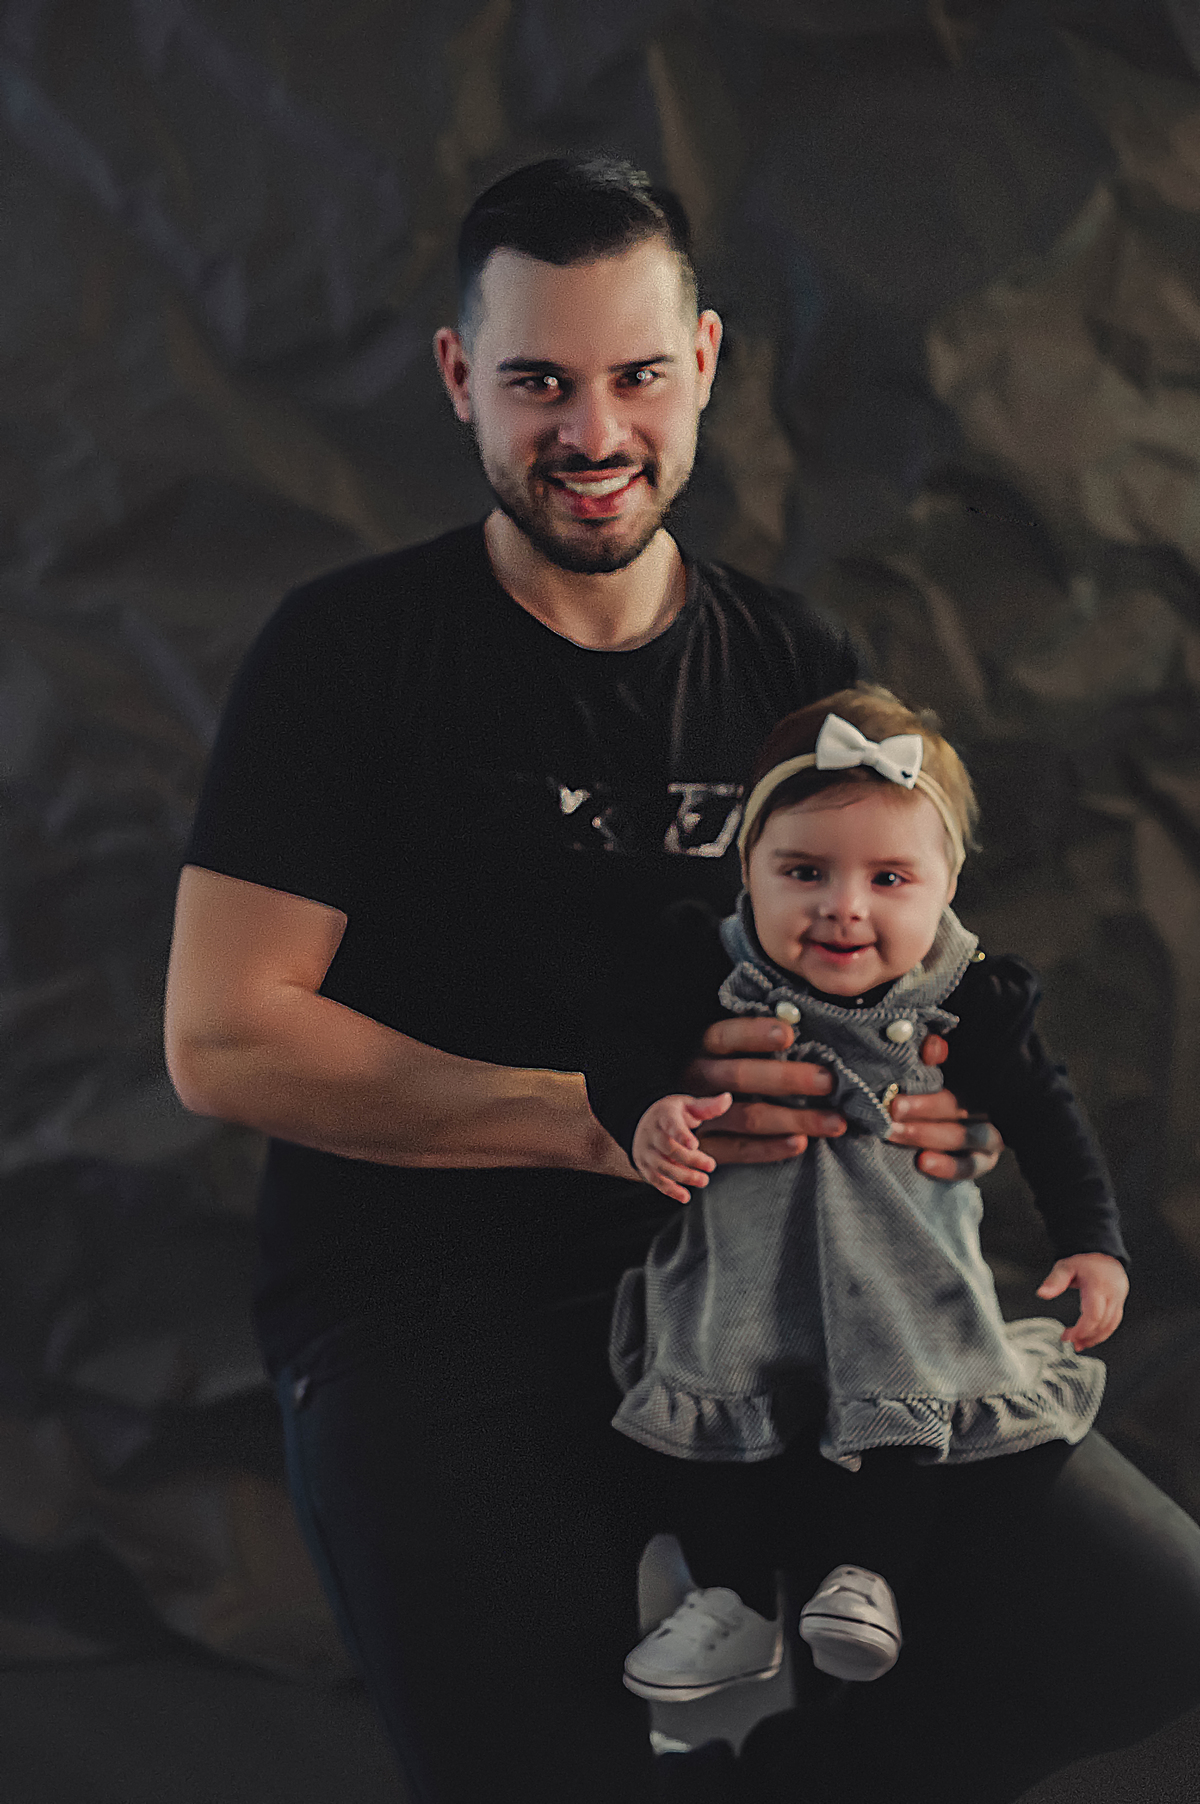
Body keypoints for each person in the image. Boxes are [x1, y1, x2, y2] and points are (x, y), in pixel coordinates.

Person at [160, 155, 1200, 1804]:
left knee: (1149, 1621)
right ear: (459, 377)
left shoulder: (795, 672)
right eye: (539, 384)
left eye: (638, 376)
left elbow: (907, 984)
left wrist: (951, 1117)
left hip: (782, 1290)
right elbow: (225, 1038)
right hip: (430, 1310)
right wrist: (591, 1121)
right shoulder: (347, 653)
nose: (595, 433)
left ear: (705, 363)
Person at [584, 686, 1129, 1710]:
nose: (845, 906)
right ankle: (732, 1604)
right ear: (747, 869)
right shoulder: (703, 969)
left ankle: (866, 1579)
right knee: (715, 1429)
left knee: (903, 1419)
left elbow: (1048, 1117)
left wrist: (1092, 1242)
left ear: (946, 884)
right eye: (804, 872)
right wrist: (647, 1108)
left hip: (902, 1277)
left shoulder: (972, 1000)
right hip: (742, 1271)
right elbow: (621, 1050)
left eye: (889, 878)